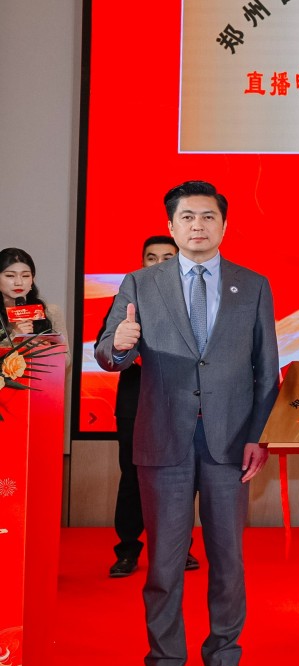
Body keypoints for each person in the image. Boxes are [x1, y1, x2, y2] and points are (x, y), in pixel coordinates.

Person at [93, 181, 279, 666]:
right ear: (171, 227)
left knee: (228, 560)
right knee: (164, 564)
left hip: (229, 443)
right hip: (164, 439)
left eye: (208, 216)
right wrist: (117, 348)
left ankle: (224, 663)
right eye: (188, 217)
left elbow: (266, 369)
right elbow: (107, 352)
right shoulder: (141, 283)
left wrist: (258, 434)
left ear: (224, 225)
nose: (198, 225)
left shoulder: (253, 285)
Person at [101, 235, 200, 578]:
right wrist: (122, 344)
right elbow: (106, 349)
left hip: (182, 402)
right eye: (151, 258)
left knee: (182, 477)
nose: (158, 264)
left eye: (166, 258)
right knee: (133, 477)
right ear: (142, 262)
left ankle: (180, 548)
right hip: (137, 401)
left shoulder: (197, 299)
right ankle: (127, 550)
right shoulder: (128, 298)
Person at [1, 247, 58, 341]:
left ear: (33, 279)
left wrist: (46, 347)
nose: (19, 282)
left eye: (25, 276)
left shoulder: (51, 312)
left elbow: (65, 350)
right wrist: (15, 336)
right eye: (10, 275)